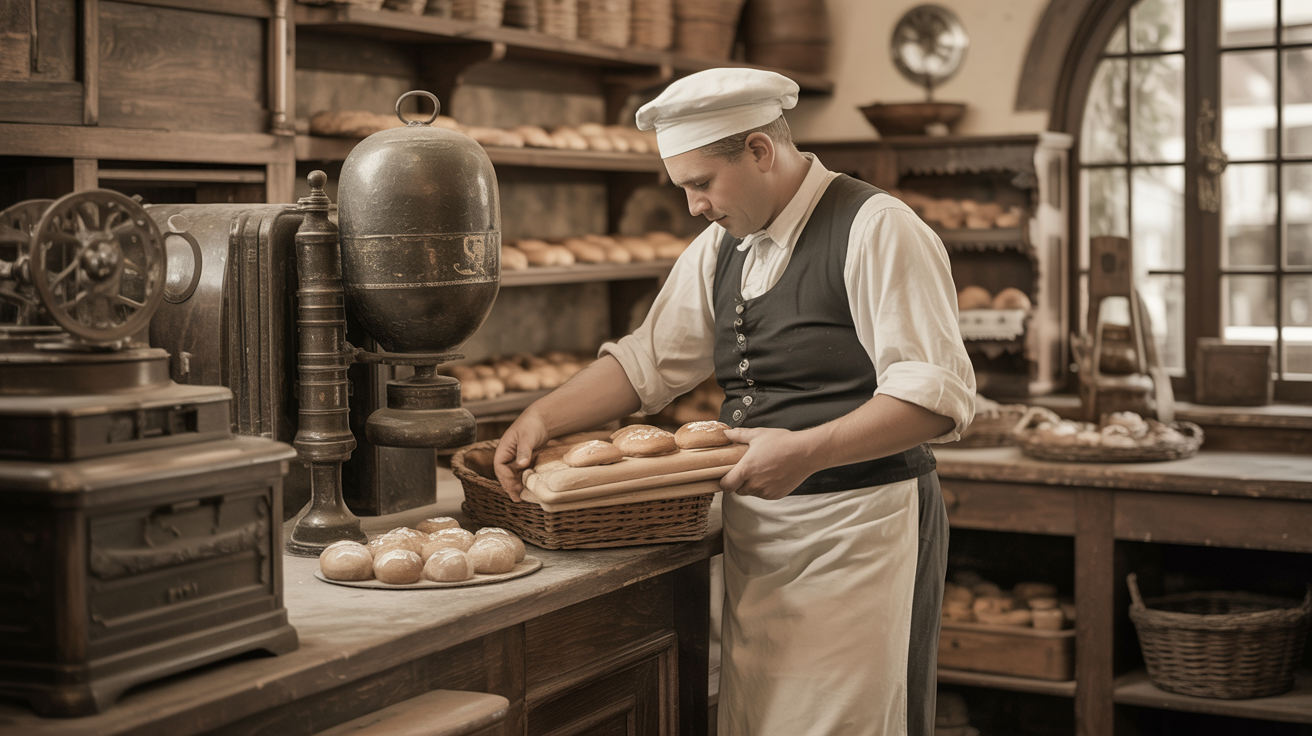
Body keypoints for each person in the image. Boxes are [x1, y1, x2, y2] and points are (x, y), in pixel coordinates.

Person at [493, 68, 975, 736]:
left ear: (758, 150)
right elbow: (648, 361)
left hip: (862, 527)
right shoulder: (723, 247)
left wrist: (806, 451)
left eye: (700, 184)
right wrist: (541, 416)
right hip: (761, 533)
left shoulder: (876, 228)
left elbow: (937, 397)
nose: (693, 206)